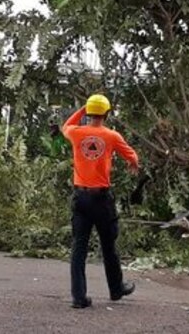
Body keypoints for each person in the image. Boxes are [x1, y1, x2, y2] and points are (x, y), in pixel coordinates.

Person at [62, 94, 139, 309]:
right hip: (101, 198)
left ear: (89, 112)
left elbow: (66, 125)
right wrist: (133, 164)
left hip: (80, 197)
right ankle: (116, 289)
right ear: (107, 113)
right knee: (108, 245)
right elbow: (132, 156)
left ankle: (79, 297)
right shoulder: (111, 136)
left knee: (79, 247)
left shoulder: (77, 133)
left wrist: (82, 110)